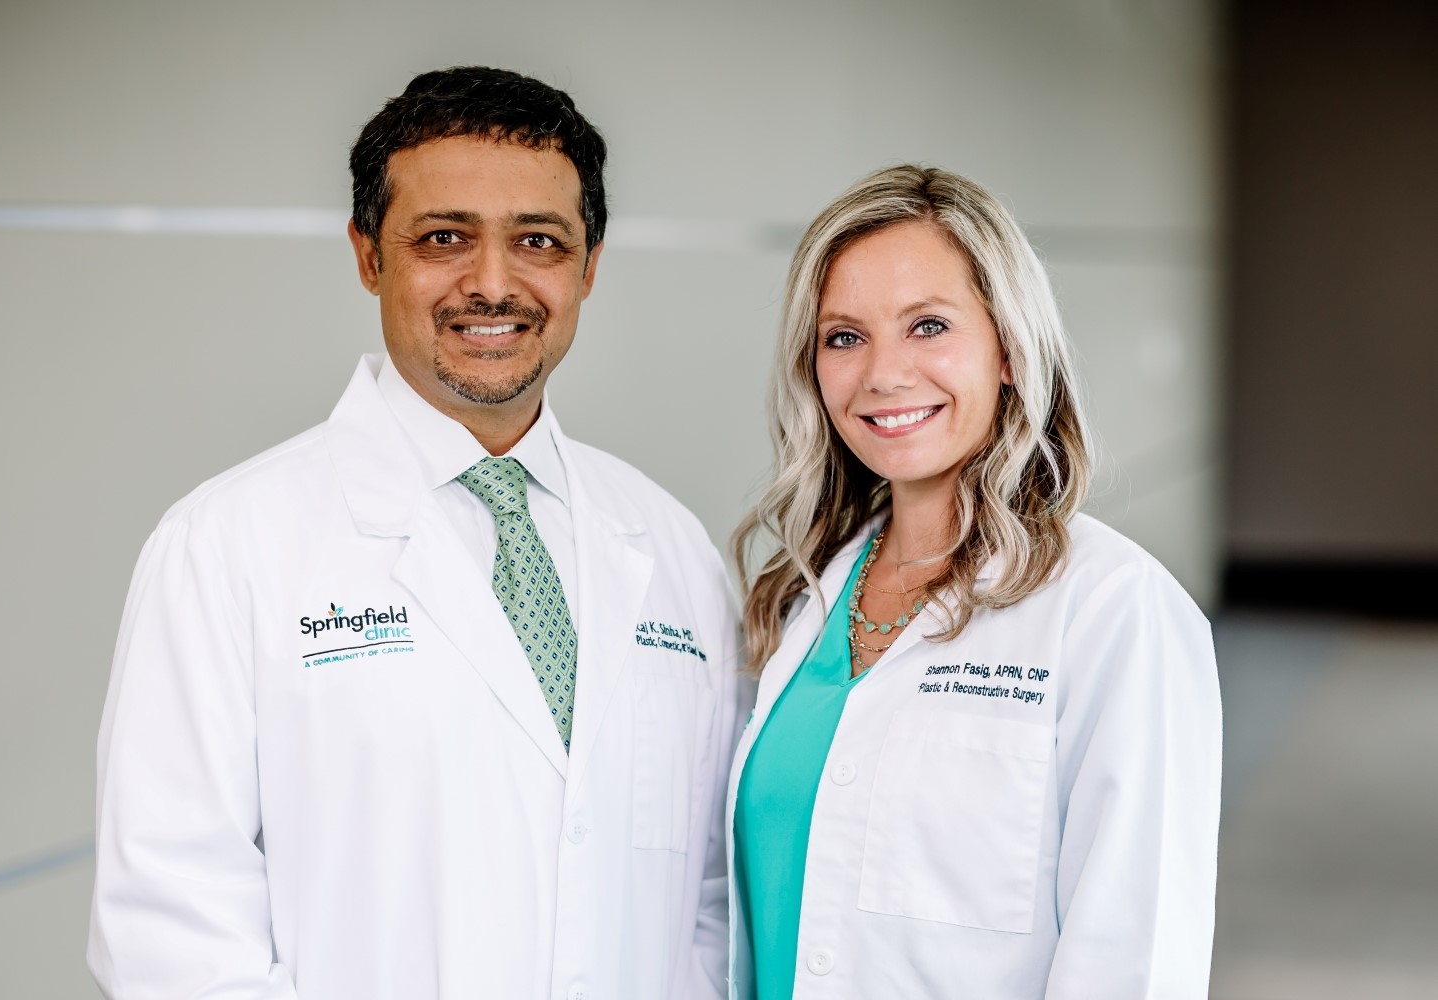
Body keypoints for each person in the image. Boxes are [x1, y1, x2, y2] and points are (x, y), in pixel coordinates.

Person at [88, 66, 743, 1000]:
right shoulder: (225, 545)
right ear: (368, 255)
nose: (492, 284)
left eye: (539, 242)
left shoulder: (670, 546)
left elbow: (707, 903)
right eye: (444, 238)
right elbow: (170, 927)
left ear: (589, 265)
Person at [726, 165, 1221, 998]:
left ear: (1008, 349)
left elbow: (1134, 958)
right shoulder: (798, 600)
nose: (883, 374)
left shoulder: (1113, 609)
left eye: (928, 326)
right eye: (844, 336)